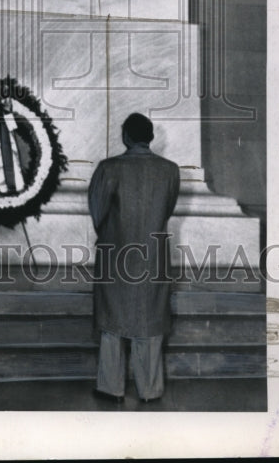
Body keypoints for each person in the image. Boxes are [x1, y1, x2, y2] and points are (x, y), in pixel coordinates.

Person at [87, 113, 180, 404]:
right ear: (149, 137)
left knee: (113, 318)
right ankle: (150, 389)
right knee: (150, 319)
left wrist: (114, 234)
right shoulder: (170, 170)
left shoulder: (108, 168)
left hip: (116, 254)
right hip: (154, 254)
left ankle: (111, 387)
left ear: (125, 136)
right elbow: (167, 208)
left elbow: (97, 211)